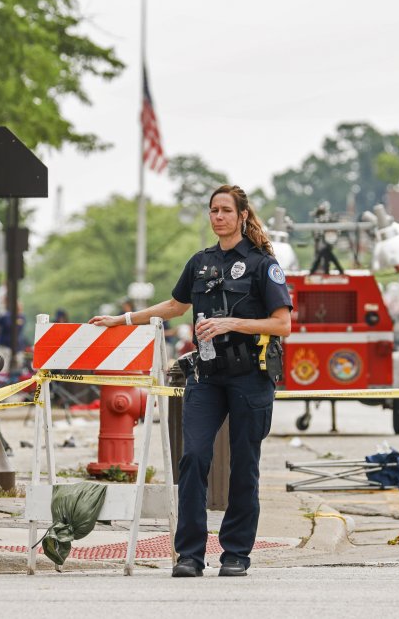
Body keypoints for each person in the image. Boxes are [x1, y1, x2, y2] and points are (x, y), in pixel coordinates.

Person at [89, 184, 291, 577]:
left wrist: (234, 323)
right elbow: (176, 305)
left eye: (226, 211)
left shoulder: (262, 263)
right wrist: (123, 319)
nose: (218, 217)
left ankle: (235, 553)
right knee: (193, 457)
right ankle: (190, 554)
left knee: (243, 466)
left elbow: (283, 323)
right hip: (207, 376)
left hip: (251, 376)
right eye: (213, 210)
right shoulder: (201, 262)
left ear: (242, 216)